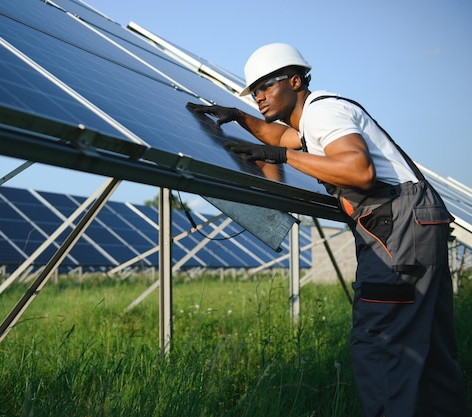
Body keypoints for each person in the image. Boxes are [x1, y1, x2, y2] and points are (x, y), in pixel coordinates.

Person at [187, 43, 469, 417]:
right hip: (415, 225)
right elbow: (280, 138)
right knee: (430, 350)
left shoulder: (322, 114)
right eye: (253, 90)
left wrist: (281, 158)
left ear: (294, 80)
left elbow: (359, 171)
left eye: (267, 85)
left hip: (397, 231)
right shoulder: (316, 117)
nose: (259, 95)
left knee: (380, 346)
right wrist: (239, 117)